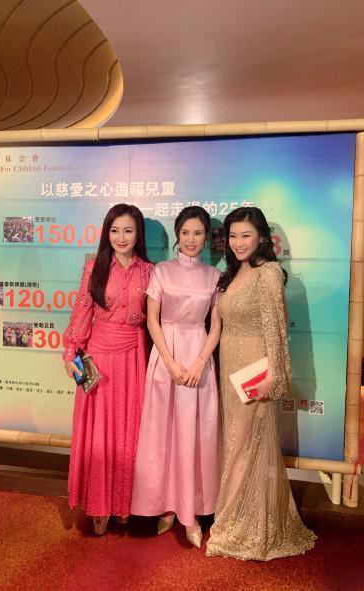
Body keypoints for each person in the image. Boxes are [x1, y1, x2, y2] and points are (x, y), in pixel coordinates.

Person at [206, 206, 316, 560]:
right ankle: (237, 518)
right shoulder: (232, 272)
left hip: (254, 370)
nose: (238, 243)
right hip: (229, 368)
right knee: (235, 445)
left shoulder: (268, 274)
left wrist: (274, 376)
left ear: (262, 238)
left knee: (245, 445)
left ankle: (239, 525)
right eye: (233, 236)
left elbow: (276, 329)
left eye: (246, 236)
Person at [131, 206, 221, 549]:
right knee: (163, 433)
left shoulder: (214, 276)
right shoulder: (162, 271)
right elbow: (152, 320)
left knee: (195, 435)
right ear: (177, 235)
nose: (191, 240)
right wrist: (169, 362)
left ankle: (191, 511)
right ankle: (166, 506)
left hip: (198, 354)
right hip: (165, 356)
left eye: (198, 233)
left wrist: (200, 362)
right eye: (185, 233)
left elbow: (217, 325)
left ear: (206, 237)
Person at [63, 204, 153, 536]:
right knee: (98, 434)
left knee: (130, 432)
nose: (121, 237)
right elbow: (82, 311)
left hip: (134, 358)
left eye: (128, 230)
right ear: (106, 233)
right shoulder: (94, 267)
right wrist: (71, 352)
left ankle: (124, 504)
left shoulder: (150, 272)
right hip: (98, 357)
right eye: (114, 230)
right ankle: (99, 506)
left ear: (138, 234)